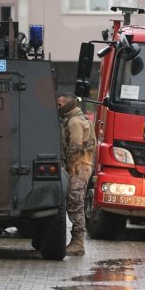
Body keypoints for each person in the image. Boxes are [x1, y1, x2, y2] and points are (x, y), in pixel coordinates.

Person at [57, 92, 96, 256]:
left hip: (78, 167)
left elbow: (75, 148)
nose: (58, 107)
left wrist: (71, 170)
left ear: (67, 104)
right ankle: (77, 241)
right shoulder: (79, 119)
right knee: (76, 202)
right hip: (83, 166)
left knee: (75, 202)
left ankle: (78, 242)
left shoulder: (73, 122)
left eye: (60, 105)